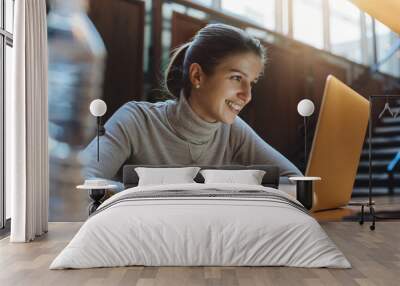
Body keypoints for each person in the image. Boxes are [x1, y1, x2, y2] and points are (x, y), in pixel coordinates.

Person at [82, 23, 302, 191]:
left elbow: (297, 184)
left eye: (251, 82)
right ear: (197, 75)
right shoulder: (135, 120)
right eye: (236, 78)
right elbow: (84, 181)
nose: (247, 95)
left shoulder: (234, 130)